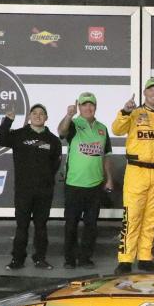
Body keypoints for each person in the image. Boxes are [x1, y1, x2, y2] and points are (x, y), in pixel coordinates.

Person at [112, 78, 154, 274]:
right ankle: (125, 259)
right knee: (132, 217)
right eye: (150, 90)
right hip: (136, 170)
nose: (153, 93)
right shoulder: (134, 112)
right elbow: (116, 129)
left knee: (152, 218)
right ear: (144, 93)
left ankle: (145, 257)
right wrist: (125, 112)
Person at [0, 103, 62, 270]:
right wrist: (8, 121)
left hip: (44, 191)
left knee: (41, 226)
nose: (38, 116)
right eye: (34, 113)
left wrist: (45, 179)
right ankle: (17, 260)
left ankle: (40, 259)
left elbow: (55, 164)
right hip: (23, 190)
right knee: (22, 226)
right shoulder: (19, 135)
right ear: (29, 117)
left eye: (41, 113)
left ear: (46, 118)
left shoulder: (53, 140)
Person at [58, 92, 113, 269]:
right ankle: (69, 259)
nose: (88, 108)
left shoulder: (102, 128)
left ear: (95, 107)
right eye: (84, 105)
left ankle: (85, 258)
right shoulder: (73, 124)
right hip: (74, 184)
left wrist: (109, 179)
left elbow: (106, 156)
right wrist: (68, 115)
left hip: (95, 185)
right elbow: (61, 131)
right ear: (79, 107)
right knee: (71, 224)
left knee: (91, 225)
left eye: (91, 105)